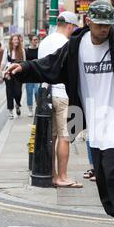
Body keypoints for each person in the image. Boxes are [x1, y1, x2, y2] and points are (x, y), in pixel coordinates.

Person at [5, 0, 114, 227]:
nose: (104, 30)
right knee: (103, 178)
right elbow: (50, 66)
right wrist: (23, 68)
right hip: (95, 122)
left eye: (108, 26)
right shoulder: (76, 46)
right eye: (99, 25)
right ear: (88, 22)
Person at [38, 11, 82, 188]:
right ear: (70, 26)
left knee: (52, 137)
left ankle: (53, 175)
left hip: (46, 95)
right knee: (64, 137)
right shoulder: (67, 43)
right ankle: (62, 177)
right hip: (63, 95)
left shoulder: (44, 41)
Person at [0, 34, 26, 119]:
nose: (16, 41)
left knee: (18, 92)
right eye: (15, 39)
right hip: (8, 73)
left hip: (18, 73)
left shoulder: (22, 50)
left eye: (17, 39)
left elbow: (24, 63)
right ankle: (10, 111)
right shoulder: (7, 50)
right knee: (9, 92)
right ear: (11, 41)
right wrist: (1, 74)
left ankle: (17, 104)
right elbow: (3, 62)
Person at [25, 34, 40, 116]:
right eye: (34, 40)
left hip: (38, 74)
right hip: (29, 75)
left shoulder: (39, 50)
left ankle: (38, 107)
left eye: (37, 40)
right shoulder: (26, 51)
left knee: (37, 92)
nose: (36, 41)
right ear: (30, 41)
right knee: (29, 92)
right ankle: (30, 109)